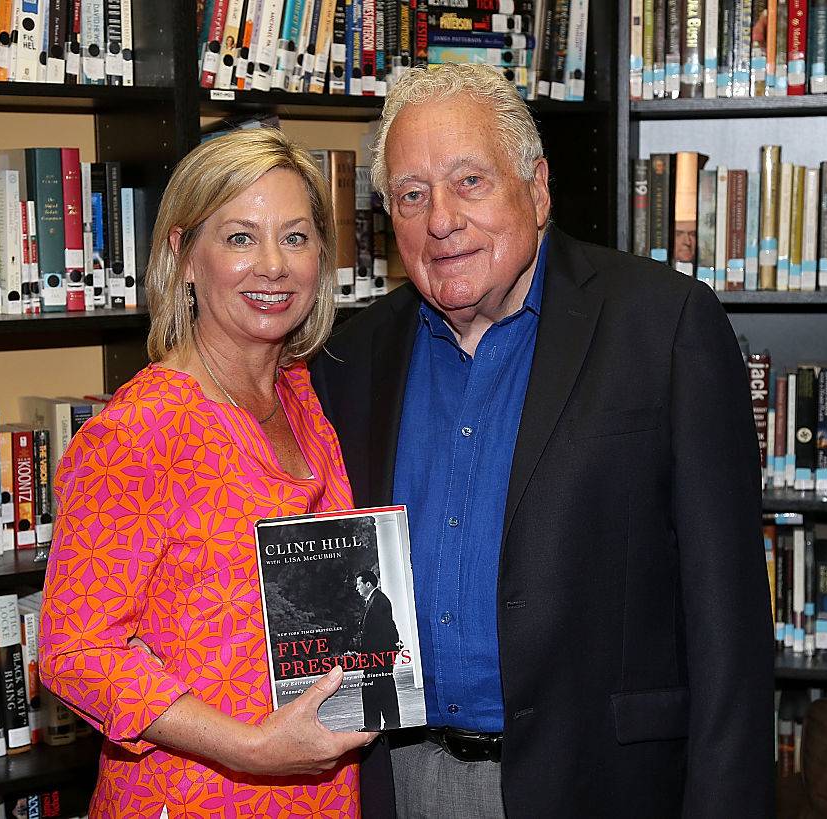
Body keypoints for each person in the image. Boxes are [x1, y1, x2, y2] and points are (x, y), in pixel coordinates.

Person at [311, 64, 774, 818]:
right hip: (400, 779)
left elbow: (730, 628)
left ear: (539, 188)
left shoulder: (664, 328)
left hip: (600, 783)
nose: (441, 220)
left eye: (470, 181)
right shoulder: (351, 362)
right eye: (412, 195)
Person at [38, 128, 374, 818]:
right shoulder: (139, 432)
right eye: (241, 238)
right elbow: (75, 650)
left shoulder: (302, 397)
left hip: (322, 790)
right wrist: (248, 745)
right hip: (194, 795)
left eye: (296, 236)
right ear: (184, 256)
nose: (274, 266)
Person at [355, 570, 402, 731]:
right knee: (376, 690)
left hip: (378, 657)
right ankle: (376, 725)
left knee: (381, 690)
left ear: (368, 584)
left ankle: (385, 725)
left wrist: (386, 654)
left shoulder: (378, 601)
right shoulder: (375, 600)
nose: (357, 588)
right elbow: (390, 627)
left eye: (358, 584)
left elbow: (385, 630)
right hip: (376, 657)